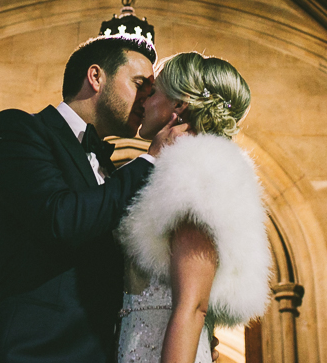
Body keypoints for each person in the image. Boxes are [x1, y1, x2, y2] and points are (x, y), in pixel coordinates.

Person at [0, 35, 186, 363]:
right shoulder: (18, 130)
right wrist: (151, 159)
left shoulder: (110, 171)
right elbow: (61, 219)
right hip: (31, 351)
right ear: (96, 77)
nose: (147, 99)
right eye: (140, 83)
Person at [116, 52, 272, 363]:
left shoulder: (196, 173)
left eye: (154, 91)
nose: (144, 100)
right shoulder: (165, 173)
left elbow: (192, 306)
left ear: (178, 105)